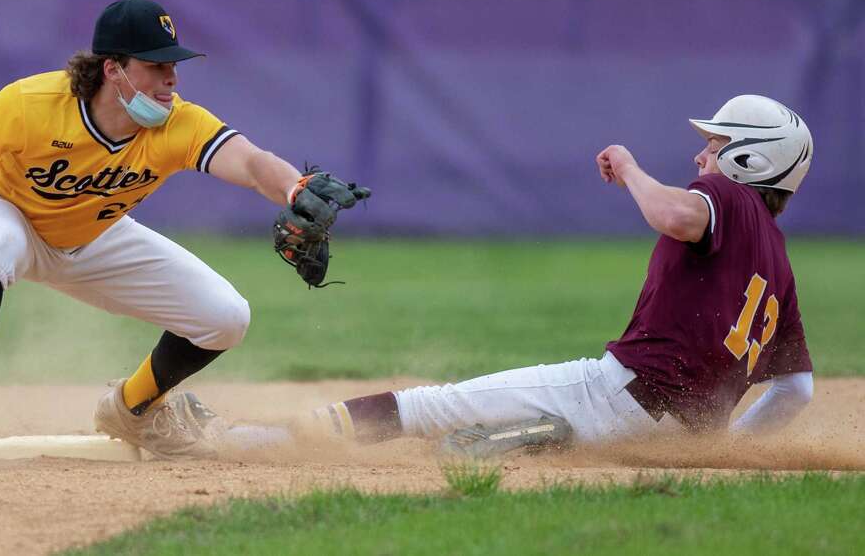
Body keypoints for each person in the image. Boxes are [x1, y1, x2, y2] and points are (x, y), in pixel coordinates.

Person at [0, 0, 367, 471]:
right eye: (155, 65)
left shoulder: (179, 123)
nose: (170, 78)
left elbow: (251, 162)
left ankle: (133, 409)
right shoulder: (32, 104)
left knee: (226, 316)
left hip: (90, 233)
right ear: (113, 68)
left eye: (173, 65)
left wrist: (293, 188)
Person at [294, 95, 815, 454]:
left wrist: (628, 167)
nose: (701, 155)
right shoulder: (779, 263)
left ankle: (279, 440)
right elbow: (796, 390)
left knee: (432, 406)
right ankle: (538, 438)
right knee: (556, 427)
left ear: (751, 158)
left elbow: (673, 216)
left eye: (716, 145)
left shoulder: (728, 195)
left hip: (619, 393)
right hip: (675, 436)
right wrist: (719, 449)